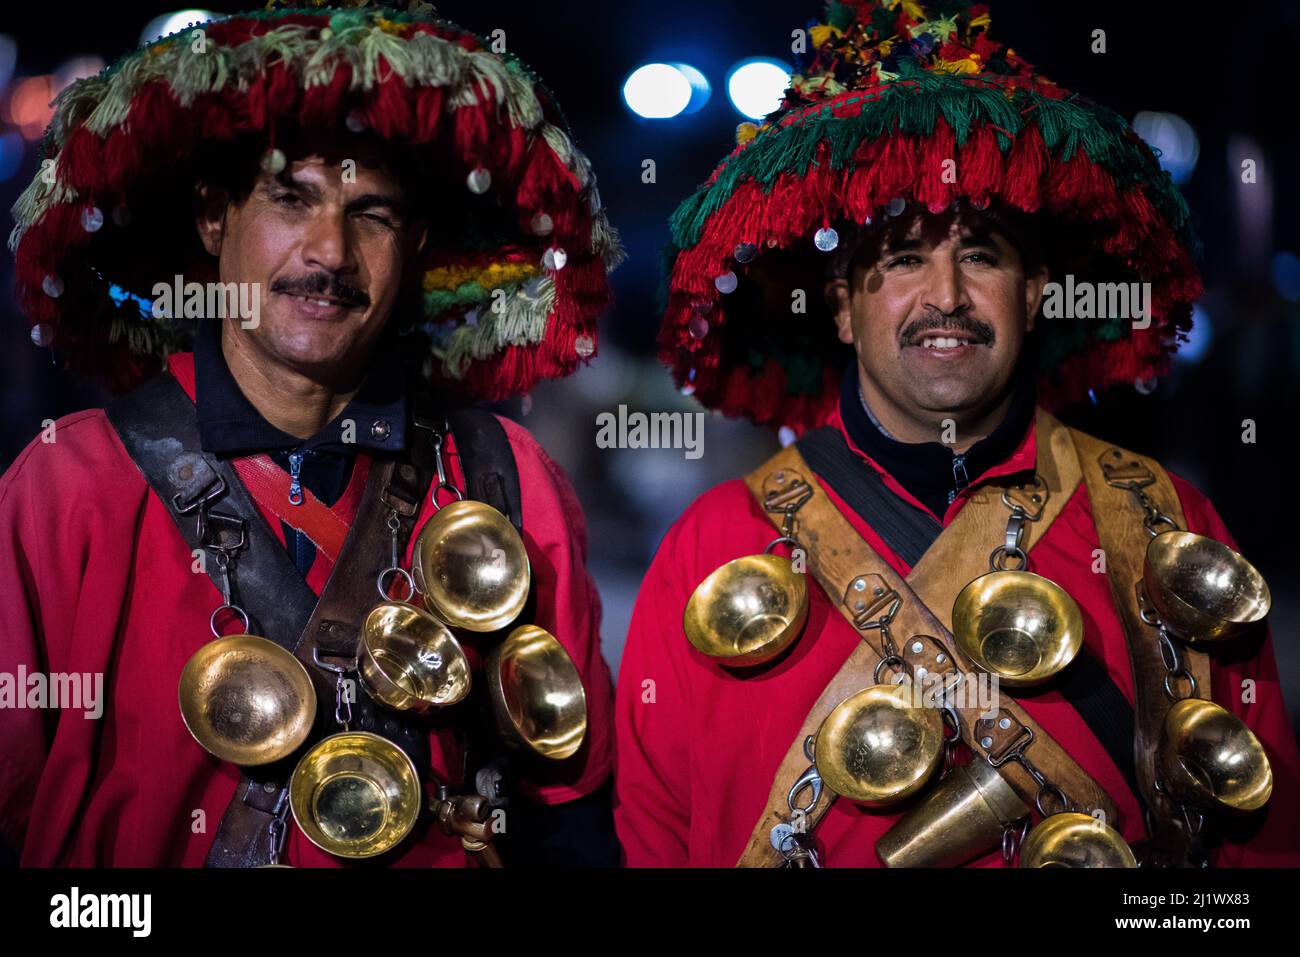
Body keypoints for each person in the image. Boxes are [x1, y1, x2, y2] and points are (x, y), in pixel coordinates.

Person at [615, 0, 1300, 867]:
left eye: (980, 254)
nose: (945, 296)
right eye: (903, 258)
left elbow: (1256, 852)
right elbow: (654, 836)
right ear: (840, 307)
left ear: (1037, 289)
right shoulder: (710, 547)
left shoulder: (1164, 517)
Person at [0, 0, 622, 867]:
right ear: (213, 218)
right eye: (292, 197)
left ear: (416, 246)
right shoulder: (69, 483)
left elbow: (573, 813)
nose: (330, 252)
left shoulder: (501, 474)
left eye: (372, 214)